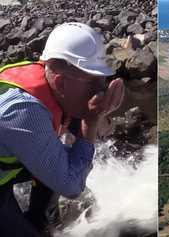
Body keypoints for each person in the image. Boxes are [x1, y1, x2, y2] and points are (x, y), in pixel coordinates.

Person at [0, 22, 124, 236]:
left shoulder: (56, 87)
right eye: (93, 84)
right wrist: (92, 121)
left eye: (103, 83)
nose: (99, 93)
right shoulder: (25, 112)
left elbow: (103, 135)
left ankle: (40, 220)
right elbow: (71, 186)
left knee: (59, 165)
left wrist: (101, 115)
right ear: (61, 82)